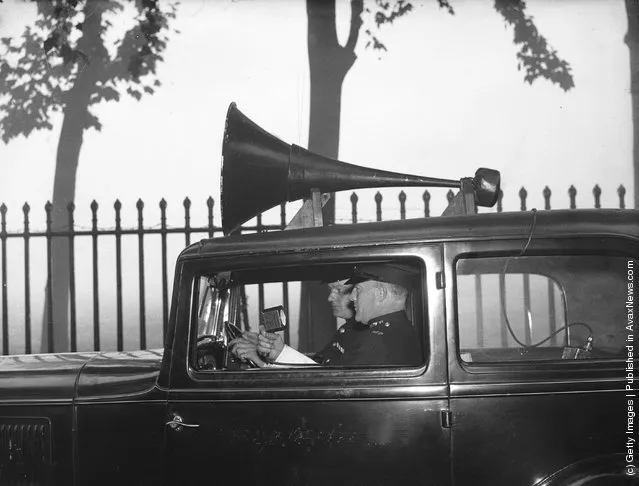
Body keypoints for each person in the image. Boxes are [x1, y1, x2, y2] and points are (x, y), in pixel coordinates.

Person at [230, 263, 422, 367]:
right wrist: (270, 356)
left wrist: (277, 356)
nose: (353, 296)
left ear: (380, 295)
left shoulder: (377, 342)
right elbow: (322, 367)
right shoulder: (368, 333)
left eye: (358, 290)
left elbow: (327, 385)